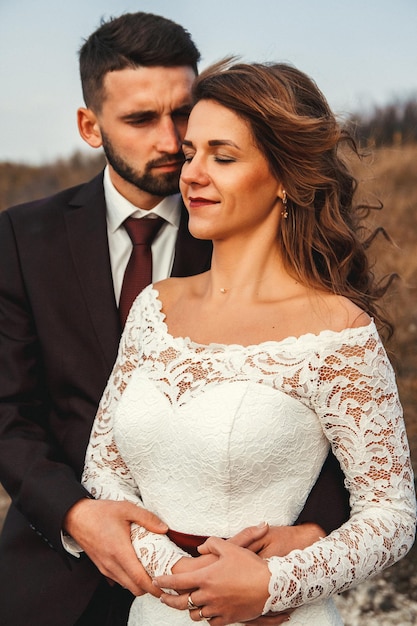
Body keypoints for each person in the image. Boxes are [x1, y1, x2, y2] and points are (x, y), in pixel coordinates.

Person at [0, 13, 348, 626]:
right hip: (56, 573)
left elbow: (332, 407)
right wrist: (78, 516)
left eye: (183, 114)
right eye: (139, 119)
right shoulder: (20, 237)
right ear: (90, 125)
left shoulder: (258, 223)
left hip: (232, 582)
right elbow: (7, 411)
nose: (170, 141)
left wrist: (308, 538)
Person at [81, 59, 416, 626]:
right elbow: (104, 466)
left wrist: (273, 585)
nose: (191, 174)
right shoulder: (154, 307)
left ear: (284, 176)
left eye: (223, 156)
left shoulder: (337, 331)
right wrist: (180, 575)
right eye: (190, 153)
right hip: (157, 611)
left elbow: (391, 515)